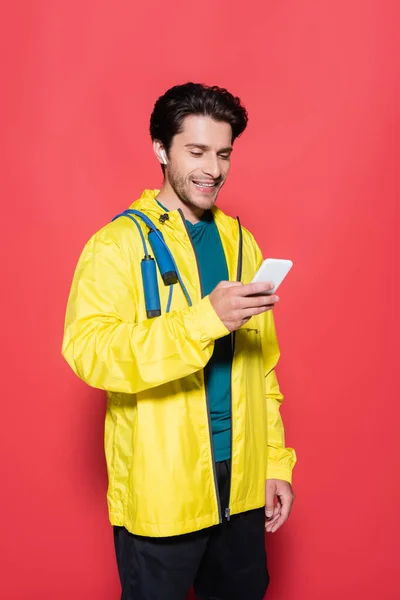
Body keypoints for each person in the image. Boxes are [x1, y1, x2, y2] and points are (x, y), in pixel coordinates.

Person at [62, 82, 296, 600]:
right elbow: (90, 352)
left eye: (223, 153)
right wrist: (201, 321)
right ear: (161, 150)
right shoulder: (116, 245)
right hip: (161, 492)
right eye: (196, 151)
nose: (212, 168)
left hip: (240, 488)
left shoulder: (241, 240)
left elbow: (263, 366)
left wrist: (275, 462)